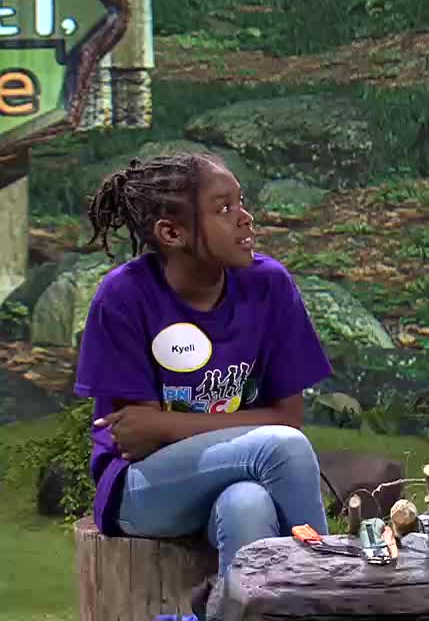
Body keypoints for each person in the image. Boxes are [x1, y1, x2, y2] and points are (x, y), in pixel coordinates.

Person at [73, 152, 333, 620]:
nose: (245, 218)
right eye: (223, 209)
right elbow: (137, 443)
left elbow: (286, 416)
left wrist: (166, 423)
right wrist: (170, 429)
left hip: (228, 477)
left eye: (241, 202)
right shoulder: (124, 297)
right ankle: (333, 600)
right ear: (172, 233)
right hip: (140, 489)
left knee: (247, 505)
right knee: (284, 450)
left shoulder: (269, 286)